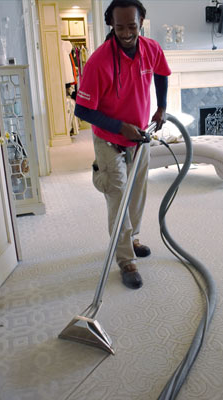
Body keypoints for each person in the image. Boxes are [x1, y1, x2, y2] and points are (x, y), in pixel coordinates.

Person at [74, 0, 171, 289]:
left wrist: (162, 107)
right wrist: (119, 127)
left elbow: (162, 73)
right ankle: (126, 260)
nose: (126, 32)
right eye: (119, 27)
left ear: (141, 22)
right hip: (109, 138)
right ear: (110, 25)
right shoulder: (98, 61)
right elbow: (82, 110)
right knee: (118, 193)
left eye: (132, 26)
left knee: (138, 190)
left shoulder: (151, 48)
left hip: (140, 136)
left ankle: (132, 236)